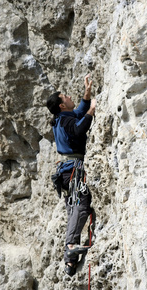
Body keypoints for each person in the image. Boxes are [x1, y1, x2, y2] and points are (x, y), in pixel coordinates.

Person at [47, 74, 96, 276]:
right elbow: (77, 130)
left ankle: (70, 261)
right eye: (65, 96)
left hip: (66, 172)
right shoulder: (66, 120)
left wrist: (87, 94)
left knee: (73, 209)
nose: (68, 97)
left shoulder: (60, 119)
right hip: (73, 170)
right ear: (61, 105)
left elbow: (76, 114)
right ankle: (70, 246)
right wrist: (91, 112)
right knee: (81, 204)